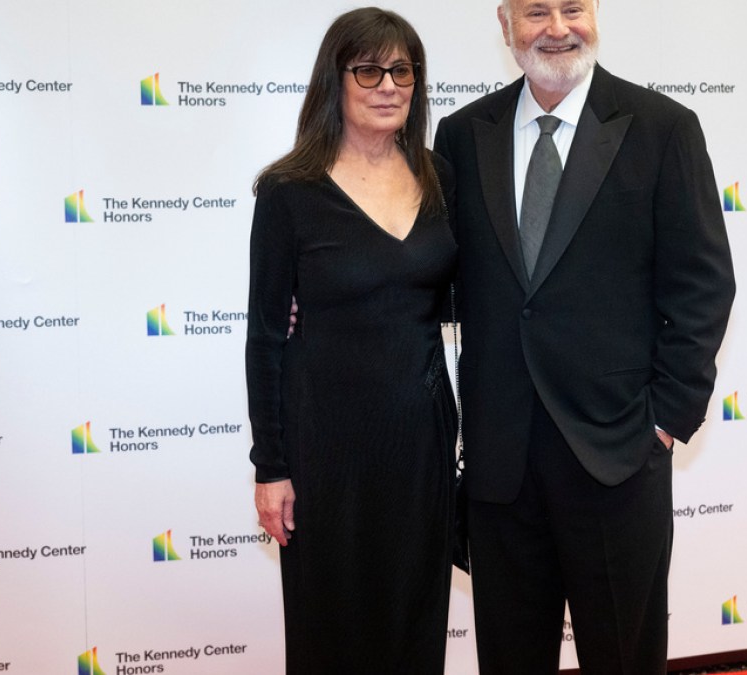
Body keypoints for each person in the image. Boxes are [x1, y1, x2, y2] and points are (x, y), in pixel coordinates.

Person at [432, 0, 735, 672]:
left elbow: (704, 284)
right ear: (506, 25)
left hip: (617, 457)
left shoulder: (662, 129)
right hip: (501, 466)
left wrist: (664, 421)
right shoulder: (462, 135)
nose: (558, 27)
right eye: (536, 11)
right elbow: (438, 276)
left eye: (573, 7)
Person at [244, 8, 456, 674]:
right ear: (334, 79)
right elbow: (265, 337)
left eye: (402, 71)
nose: (388, 85)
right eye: (368, 70)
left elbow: (459, 297)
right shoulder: (289, 191)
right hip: (324, 448)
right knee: (331, 627)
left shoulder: (439, 177)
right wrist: (270, 466)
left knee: (414, 618)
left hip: (420, 442)